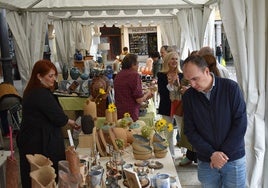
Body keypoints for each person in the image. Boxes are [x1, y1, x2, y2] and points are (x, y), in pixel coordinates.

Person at [182, 55, 247, 187]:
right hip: (206, 160)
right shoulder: (189, 97)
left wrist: (222, 156)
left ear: (206, 71)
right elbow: (189, 130)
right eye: (189, 80)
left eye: (195, 79)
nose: (192, 85)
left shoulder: (231, 88)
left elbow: (240, 124)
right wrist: (211, 154)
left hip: (233, 158)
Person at [17, 59, 79, 188]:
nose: (54, 79)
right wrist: (72, 122)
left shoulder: (33, 90)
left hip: (33, 138)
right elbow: (58, 117)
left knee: (35, 176)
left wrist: (69, 121)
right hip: (39, 142)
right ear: (39, 76)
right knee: (44, 176)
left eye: (55, 75)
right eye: (50, 76)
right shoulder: (40, 93)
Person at [157, 51, 182, 158]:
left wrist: (179, 84)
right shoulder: (161, 75)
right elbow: (162, 92)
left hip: (180, 105)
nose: (174, 61)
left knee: (182, 130)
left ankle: (185, 153)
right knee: (169, 130)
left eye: (176, 59)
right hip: (167, 106)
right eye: (172, 59)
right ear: (167, 61)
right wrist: (171, 84)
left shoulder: (182, 74)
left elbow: (183, 91)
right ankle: (171, 154)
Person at [114, 53, 153, 121]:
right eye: (137, 63)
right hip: (130, 113)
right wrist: (148, 93)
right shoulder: (134, 75)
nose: (138, 66)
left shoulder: (118, 75)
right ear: (132, 64)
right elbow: (139, 100)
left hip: (119, 111)